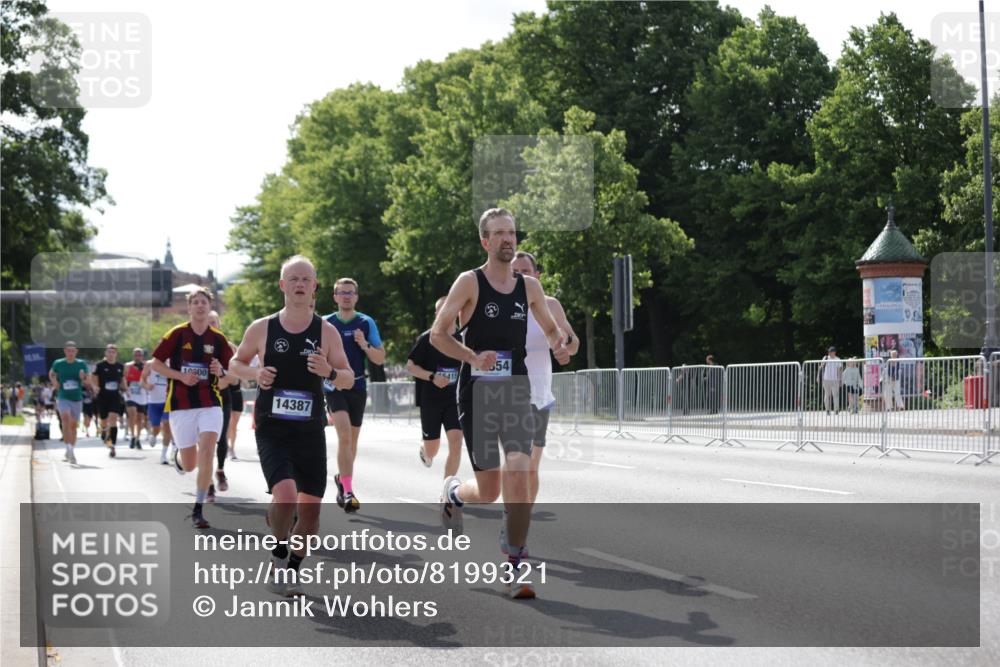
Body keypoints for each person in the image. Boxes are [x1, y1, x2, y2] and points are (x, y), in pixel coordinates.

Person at [430, 208, 569, 599]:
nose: (508, 239)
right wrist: (472, 356)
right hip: (477, 391)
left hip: (516, 389)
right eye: (499, 234)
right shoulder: (469, 282)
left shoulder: (530, 288)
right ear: (485, 242)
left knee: (520, 471)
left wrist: (561, 345)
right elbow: (439, 335)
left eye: (512, 233)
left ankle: (515, 562)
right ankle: (454, 493)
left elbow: (554, 330)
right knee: (489, 490)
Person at [228, 255, 353, 596]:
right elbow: (235, 364)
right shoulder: (262, 328)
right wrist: (255, 373)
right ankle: (280, 551)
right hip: (272, 426)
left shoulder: (326, 332)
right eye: (293, 279)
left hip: (310, 430)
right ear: (283, 285)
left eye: (306, 280)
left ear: (315, 288)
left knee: (310, 516)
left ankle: (295, 565)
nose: (300, 285)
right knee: (285, 497)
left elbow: (347, 378)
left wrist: (328, 371)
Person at [505, 250, 578, 555]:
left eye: (526, 271)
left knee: (531, 471)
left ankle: (520, 522)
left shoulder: (549, 305)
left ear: (537, 276)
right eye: (515, 271)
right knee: (517, 468)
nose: (521, 276)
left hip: (541, 398)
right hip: (509, 397)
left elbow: (571, 343)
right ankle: (512, 527)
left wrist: (565, 346)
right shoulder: (501, 305)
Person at [149, 288, 233, 529]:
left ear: (209, 306)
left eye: (203, 302)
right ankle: (179, 458)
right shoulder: (177, 334)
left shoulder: (218, 338)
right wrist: (180, 376)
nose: (199, 306)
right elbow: (155, 364)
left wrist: (222, 372)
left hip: (210, 403)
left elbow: (231, 374)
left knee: (207, 450)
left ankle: (198, 508)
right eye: (195, 302)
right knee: (190, 465)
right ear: (189, 308)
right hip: (181, 404)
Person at [323, 277, 385, 513]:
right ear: (335, 297)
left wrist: (364, 345)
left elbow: (380, 358)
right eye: (342, 292)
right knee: (345, 436)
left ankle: (343, 479)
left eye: (351, 292)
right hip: (334, 387)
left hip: (358, 387)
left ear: (356, 297)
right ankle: (348, 492)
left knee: (352, 442)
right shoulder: (326, 324)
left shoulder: (366, 323)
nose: (347, 296)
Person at [406, 297, 464, 478]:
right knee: (432, 450)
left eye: (450, 309)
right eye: (442, 310)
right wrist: (432, 377)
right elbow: (411, 366)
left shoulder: (464, 338)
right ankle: (425, 448)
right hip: (431, 400)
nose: (446, 313)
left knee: (456, 443)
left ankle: (447, 490)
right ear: (437, 314)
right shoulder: (427, 338)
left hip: (455, 400)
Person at [205, 311, 240, 502]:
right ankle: (209, 483)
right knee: (205, 442)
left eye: (214, 322)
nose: (210, 325)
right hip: (201, 399)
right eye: (207, 322)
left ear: (219, 324)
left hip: (222, 398)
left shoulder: (228, 347)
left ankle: (219, 470)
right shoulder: (193, 345)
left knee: (221, 438)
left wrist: (221, 372)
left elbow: (234, 379)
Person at [49, 341, 89, 465]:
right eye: (68, 350)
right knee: (65, 420)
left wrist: (83, 377)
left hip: (76, 398)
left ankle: (71, 448)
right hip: (63, 396)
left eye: (73, 351)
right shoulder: (58, 363)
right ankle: (68, 449)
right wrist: (55, 382)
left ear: (76, 352)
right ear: (65, 351)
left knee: (73, 426)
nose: (71, 353)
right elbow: (52, 373)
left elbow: (87, 380)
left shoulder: (81, 363)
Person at [91, 344, 125, 457]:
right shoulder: (100, 366)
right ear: (105, 353)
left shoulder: (120, 366)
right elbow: (94, 379)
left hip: (115, 397)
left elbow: (123, 380)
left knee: (113, 419)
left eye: (113, 352)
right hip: (102, 397)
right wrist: (95, 387)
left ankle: (112, 446)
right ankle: (104, 431)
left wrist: (126, 388)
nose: (111, 354)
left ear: (116, 354)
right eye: (109, 352)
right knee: (104, 421)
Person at [141, 358, 172, 463]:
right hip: (153, 402)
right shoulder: (150, 364)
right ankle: (153, 435)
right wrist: (146, 385)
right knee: (156, 428)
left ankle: (163, 455)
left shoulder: (171, 363)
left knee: (167, 425)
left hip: (167, 401)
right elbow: (142, 379)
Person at [124, 348, 149, 449]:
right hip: (130, 393)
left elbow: (149, 378)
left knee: (140, 418)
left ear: (142, 356)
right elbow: (124, 378)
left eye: (139, 355)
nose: (137, 356)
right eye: (136, 355)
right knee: (132, 414)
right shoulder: (128, 365)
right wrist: (125, 389)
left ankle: (137, 438)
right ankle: (132, 436)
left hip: (142, 394)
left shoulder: (146, 366)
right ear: (133, 355)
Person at [817, 346, 843, 415]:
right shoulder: (825, 358)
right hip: (826, 379)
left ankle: (836, 410)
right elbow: (820, 367)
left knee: (835, 395)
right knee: (827, 395)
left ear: (835, 352)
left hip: (835, 379)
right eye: (829, 352)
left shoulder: (838, 359)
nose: (830, 353)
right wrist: (818, 377)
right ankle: (827, 410)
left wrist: (840, 380)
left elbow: (839, 371)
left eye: (831, 352)